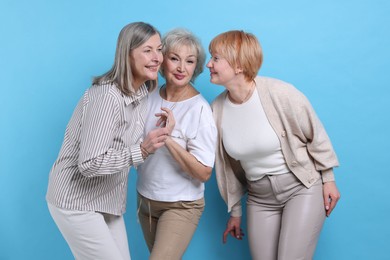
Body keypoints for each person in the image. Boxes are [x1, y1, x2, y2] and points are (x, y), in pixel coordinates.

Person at [207, 30, 341, 260]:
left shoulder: (279, 92)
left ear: (238, 65)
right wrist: (236, 211)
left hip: (301, 188)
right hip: (259, 199)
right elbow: (227, 168)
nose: (209, 64)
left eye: (216, 58)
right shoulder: (217, 109)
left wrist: (328, 179)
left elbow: (315, 134)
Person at [46, 22, 173, 260]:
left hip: (107, 201)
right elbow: (90, 163)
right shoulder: (107, 97)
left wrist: (162, 131)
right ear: (127, 54)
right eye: (148, 50)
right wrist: (142, 151)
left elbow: (123, 139)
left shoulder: (141, 93)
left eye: (160, 49)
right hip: (76, 201)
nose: (157, 58)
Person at [136, 28, 217, 260]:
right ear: (162, 62)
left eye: (190, 61)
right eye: (174, 59)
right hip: (145, 200)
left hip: (181, 206)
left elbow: (204, 172)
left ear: (196, 67)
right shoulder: (149, 94)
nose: (182, 68)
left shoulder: (199, 109)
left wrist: (168, 139)